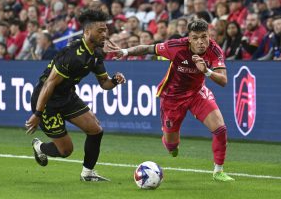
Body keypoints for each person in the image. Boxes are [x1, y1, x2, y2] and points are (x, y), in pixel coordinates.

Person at [108, 19, 234, 182]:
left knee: (220, 129)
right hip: (172, 98)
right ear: (188, 38)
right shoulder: (176, 47)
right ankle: (171, 145)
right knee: (171, 145)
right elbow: (148, 48)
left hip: (197, 93)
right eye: (195, 37)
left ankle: (218, 171)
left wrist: (207, 71)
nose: (200, 42)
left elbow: (223, 81)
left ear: (209, 36)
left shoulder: (214, 50)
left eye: (204, 37)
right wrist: (124, 52)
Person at [25, 9, 126, 182]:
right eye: (100, 31)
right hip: (47, 100)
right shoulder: (72, 54)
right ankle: (40, 147)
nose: (105, 34)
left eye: (106, 30)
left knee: (96, 130)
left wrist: (115, 80)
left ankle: (87, 173)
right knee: (66, 151)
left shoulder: (95, 54)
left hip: (67, 96)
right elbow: (49, 84)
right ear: (87, 32)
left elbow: (104, 84)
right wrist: (37, 113)